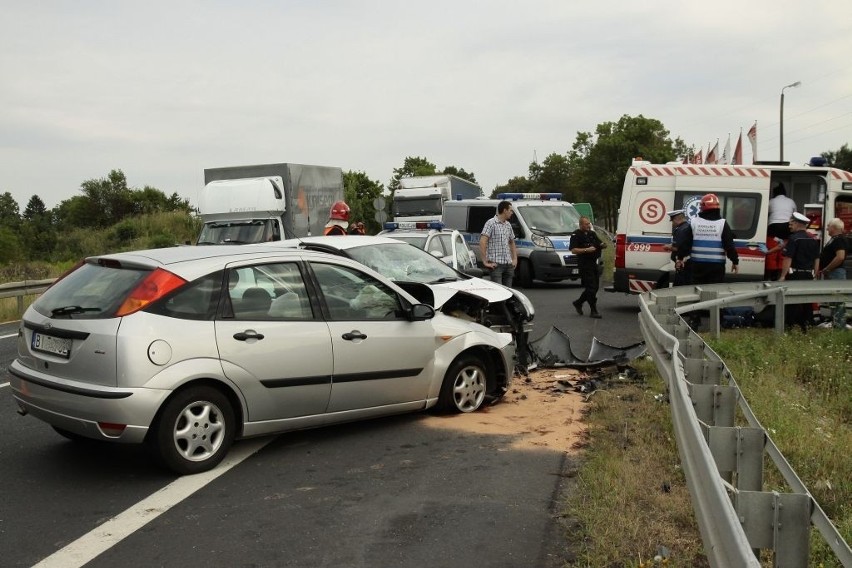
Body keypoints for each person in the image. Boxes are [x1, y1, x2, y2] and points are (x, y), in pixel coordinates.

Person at [682, 193, 739, 285]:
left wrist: (680, 258)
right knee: (714, 291)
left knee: (696, 290)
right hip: (716, 266)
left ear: (703, 207)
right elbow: (729, 245)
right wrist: (735, 261)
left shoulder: (694, 222)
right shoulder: (722, 223)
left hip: (697, 265)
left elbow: (685, 243)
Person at [779, 212, 820, 331]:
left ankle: (788, 327)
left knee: (791, 301)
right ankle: (807, 325)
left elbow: (788, 258)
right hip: (808, 274)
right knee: (807, 301)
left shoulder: (794, 239)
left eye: (791, 224)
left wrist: (782, 275)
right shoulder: (813, 239)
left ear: (797, 224)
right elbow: (817, 259)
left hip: (795, 274)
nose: (790, 226)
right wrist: (815, 274)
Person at [569, 216, 607, 318]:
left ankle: (578, 302)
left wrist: (603, 244)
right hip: (584, 264)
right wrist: (586, 250)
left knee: (595, 287)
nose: (588, 225)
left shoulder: (592, 234)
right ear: (581, 225)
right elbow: (573, 250)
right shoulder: (576, 235)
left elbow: (599, 243)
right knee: (590, 287)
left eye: (589, 223)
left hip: (594, 263)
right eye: (586, 224)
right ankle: (593, 311)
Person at [817, 217, 848, 329]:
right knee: (834, 300)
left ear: (834, 228)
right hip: (834, 272)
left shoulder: (839, 240)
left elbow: (840, 257)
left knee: (838, 299)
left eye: (828, 226)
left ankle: (839, 325)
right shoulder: (834, 239)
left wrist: (827, 269)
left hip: (836, 272)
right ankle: (836, 322)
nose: (826, 228)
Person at [479, 200, 518, 286]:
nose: (512, 213)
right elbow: (482, 242)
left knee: (509, 292)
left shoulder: (508, 225)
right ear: (504, 210)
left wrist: (515, 259)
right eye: (510, 210)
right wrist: (485, 261)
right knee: (499, 292)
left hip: (508, 264)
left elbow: (512, 242)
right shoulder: (491, 223)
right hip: (496, 265)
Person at [663, 209, 692, 286]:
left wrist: (667, 247)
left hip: (682, 263)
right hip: (687, 262)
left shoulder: (680, 230)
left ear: (677, 219)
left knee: (679, 286)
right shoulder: (688, 226)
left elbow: (677, 248)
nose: (672, 223)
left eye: (672, 221)